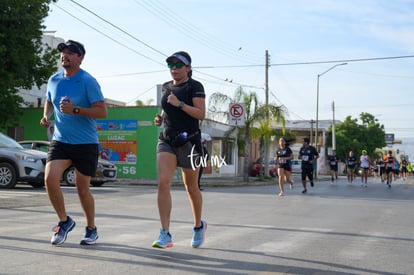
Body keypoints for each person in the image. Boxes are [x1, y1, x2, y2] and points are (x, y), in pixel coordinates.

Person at [39, 40, 107, 245]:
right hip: (61, 140)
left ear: (80, 58)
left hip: (85, 143)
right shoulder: (54, 79)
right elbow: (49, 100)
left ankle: (91, 228)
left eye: (70, 53)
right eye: (63, 52)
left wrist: (76, 110)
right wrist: (46, 115)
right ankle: (64, 221)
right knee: (50, 180)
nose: (65, 56)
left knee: (82, 188)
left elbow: (102, 111)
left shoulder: (88, 81)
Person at [153, 51, 207, 249]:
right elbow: (167, 107)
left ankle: (198, 225)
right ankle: (165, 233)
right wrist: (160, 117)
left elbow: (201, 114)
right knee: (163, 183)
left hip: (189, 141)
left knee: (191, 187)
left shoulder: (195, 86)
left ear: (188, 68)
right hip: (167, 139)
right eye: (171, 65)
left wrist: (180, 104)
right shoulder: (167, 87)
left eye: (178, 65)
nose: (174, 68)